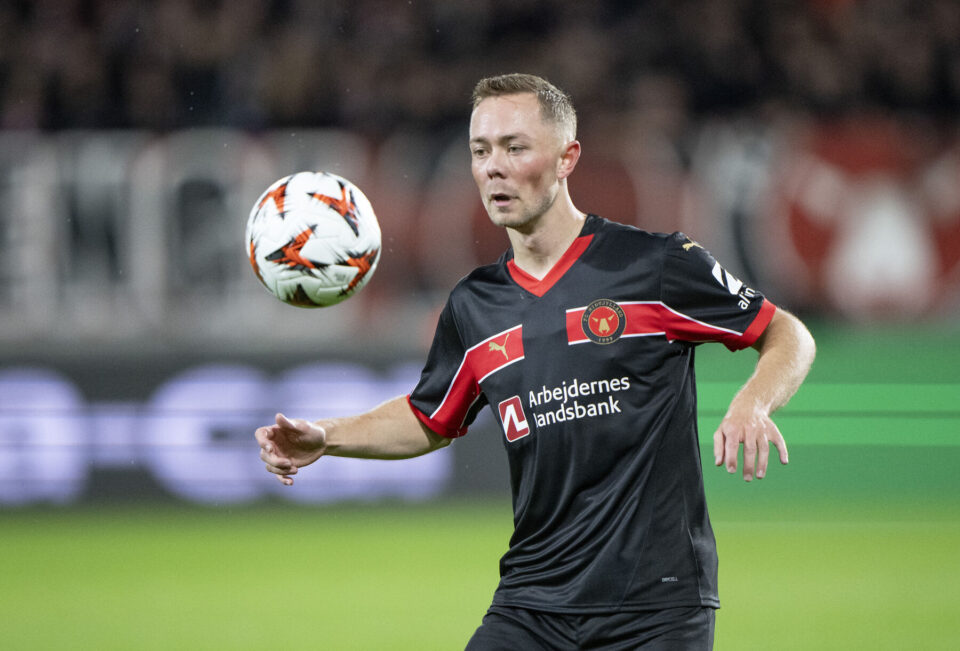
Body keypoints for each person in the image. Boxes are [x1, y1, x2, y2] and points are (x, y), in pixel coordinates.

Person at [256, 73, 816, 650]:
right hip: (532, 604)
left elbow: (787, 333)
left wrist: (753, 400)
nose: (493, 167)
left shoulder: (655, 265)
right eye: (480, 151)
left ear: (567, 157)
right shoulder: (474, 305)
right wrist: (326, 436)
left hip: (656, 607)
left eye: (515, 147)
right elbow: (429, 418)